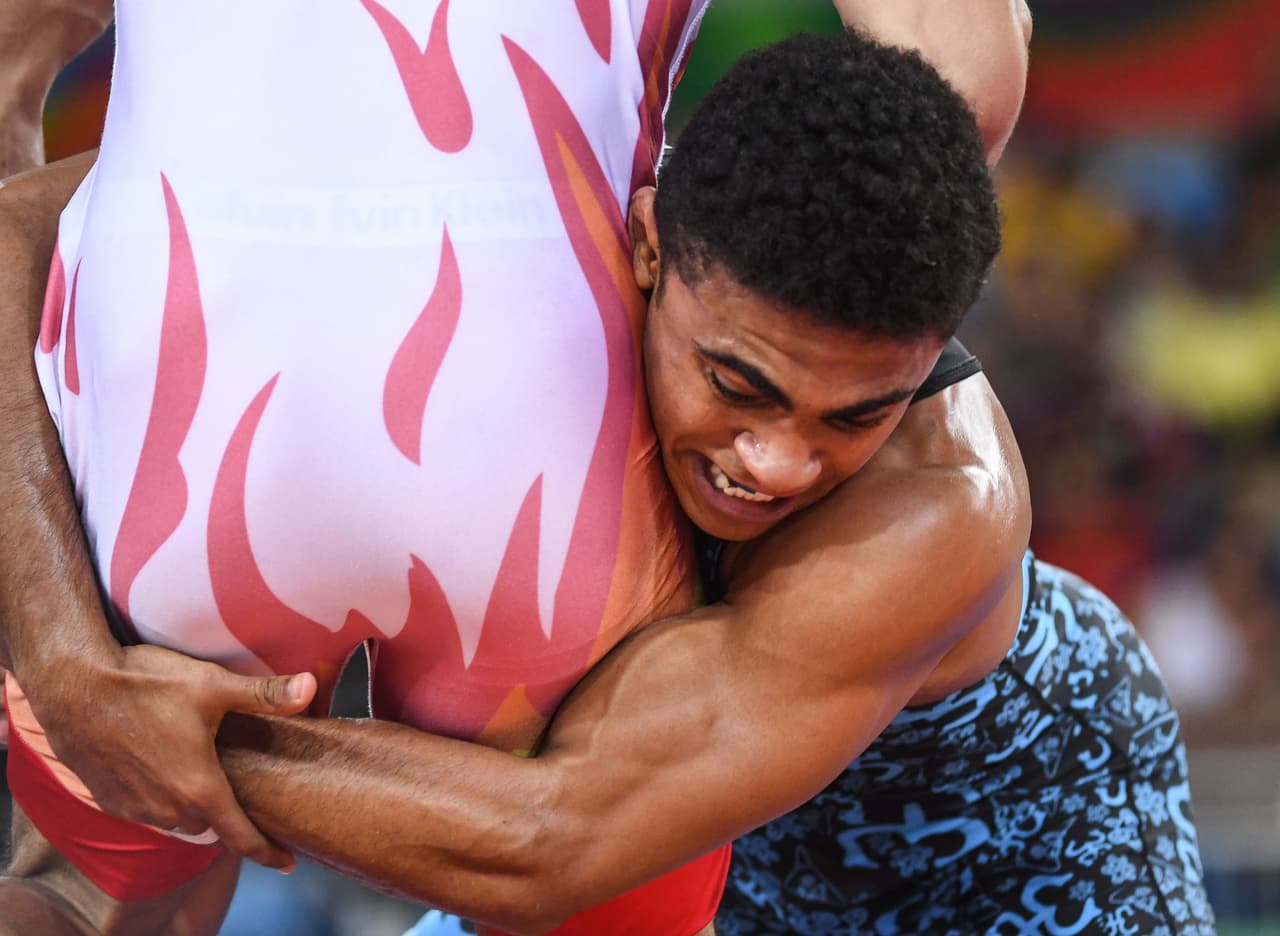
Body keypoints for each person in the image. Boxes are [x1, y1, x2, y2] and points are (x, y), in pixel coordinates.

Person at [3, 6, 1211, 936]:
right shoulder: (543, 227)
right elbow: (21, 230)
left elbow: (549, 843)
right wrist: (69, 650)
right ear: (642, 246)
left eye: (856, 412)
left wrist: (125, 709)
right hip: (660, 838)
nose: (780, 464)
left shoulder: (936, 504)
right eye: (735, 384)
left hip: (1006, 861)